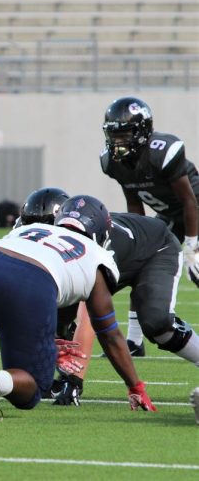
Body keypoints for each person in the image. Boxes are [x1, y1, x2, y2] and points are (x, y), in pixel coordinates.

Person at [0, 195, 156, 421]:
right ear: (100, 231)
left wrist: (50, 342)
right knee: (34, 387)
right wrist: (135, 385)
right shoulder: (98, 256)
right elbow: (109, 334)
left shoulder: (34, 228)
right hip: (31, 281)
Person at [50, 211, 199, 405]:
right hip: (130, 247)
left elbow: (94, 321)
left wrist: (74, 381)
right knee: (58, 318)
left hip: (157, 248)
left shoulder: (98, 254)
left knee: (157, 323)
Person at [100, 96, 199, 355]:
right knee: (144, 262)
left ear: (143, 133)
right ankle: (133, 342)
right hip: (168, 216)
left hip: (194, 213)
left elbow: (189, 201)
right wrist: (139, 240)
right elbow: (134, 203)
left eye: (124, 135)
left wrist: (191, 246)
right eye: (114, 135)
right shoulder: (114, 163)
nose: (117, 142)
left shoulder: (162, 151)